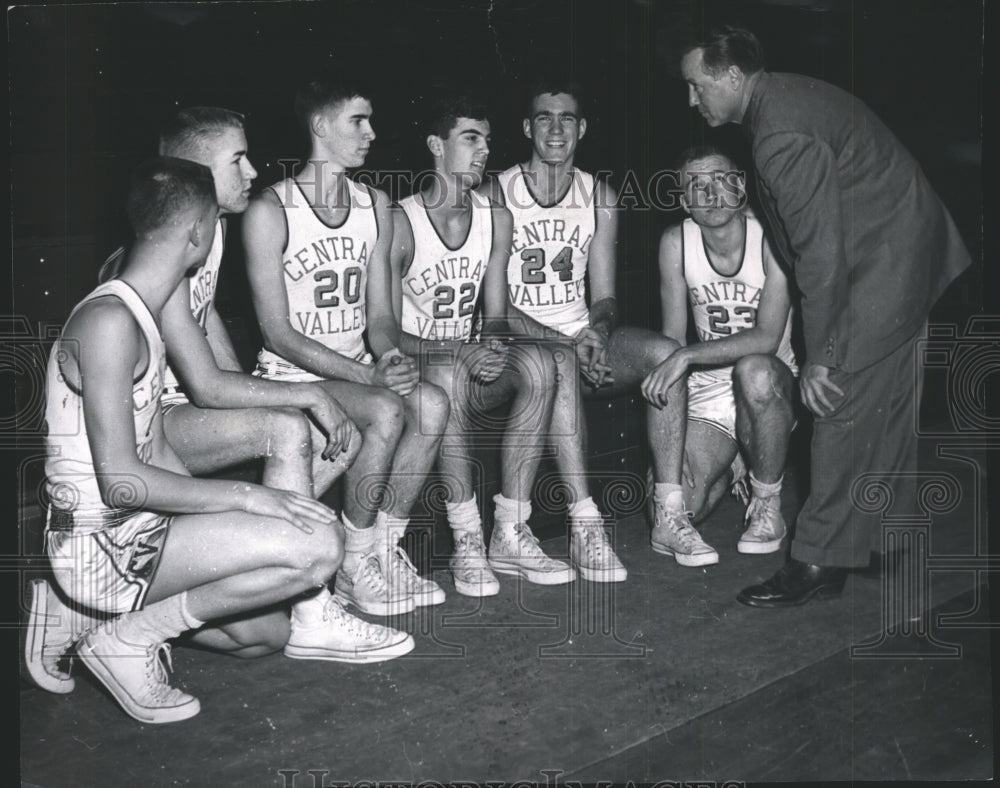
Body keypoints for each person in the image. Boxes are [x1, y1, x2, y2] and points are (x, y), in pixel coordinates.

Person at [38, 158, 412, 724]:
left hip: (142, 531)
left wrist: (302, 406)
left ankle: (89, 620)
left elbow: (177, 417)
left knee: (265, 634)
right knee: (318, 545)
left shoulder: (155, 302)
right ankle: (129, 638)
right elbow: (119, 482)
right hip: (99, 546)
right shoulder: (110, 320)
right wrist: (248, 500)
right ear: (197, 231)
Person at [679, 26, 971, 606]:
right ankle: (867, 543)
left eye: (697, 85)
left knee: (835, 402)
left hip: (883, 261)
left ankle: (816, 561)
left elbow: (820, 252)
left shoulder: (779, 132)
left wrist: (823, 355)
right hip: (905, 247)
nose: (693, 100)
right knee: (882, 409)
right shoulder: (784, 98)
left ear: (732, 76)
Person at [243, 78, 451, 616]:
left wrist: (389, 356)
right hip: (291, 377)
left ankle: (377, 551)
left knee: (430, 404)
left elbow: (380, 317)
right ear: (320, 125)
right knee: (384, 409)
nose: (371, 133)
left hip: (357, 370)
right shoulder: (271, 209)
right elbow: (276, 333)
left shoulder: (375, 204)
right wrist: (370, 379)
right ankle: (354, 568)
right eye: (358, 121)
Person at [490, 80, 680, 580]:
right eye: (545, 118)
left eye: (568, 118)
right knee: (557, 361)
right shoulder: (496, 192)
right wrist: (570, 345)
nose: (557, 128)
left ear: (583, 128)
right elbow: (493, 306)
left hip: (578, 339)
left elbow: (606, 295)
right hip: (518, 347)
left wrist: (597, 329)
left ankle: (670, 511)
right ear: (528, 127)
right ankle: (584, 523)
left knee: (664, 353)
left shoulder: (599, 194)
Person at [392, 95, 574, 593]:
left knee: (542, 362)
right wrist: (457, 352)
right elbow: (383, 333)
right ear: (436, 145)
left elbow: (494, 317)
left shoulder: (495, 216)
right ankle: (466, 539)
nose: (484, 151)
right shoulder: (400, 221)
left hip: (466, 363)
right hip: (414, 370)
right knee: (448, 373)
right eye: (471, 138)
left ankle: (510, 532)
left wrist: (491, 344)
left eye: (488, 140)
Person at [642, 144, 797, 566]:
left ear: (741, 185)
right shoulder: (677, 242)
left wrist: (686, 356)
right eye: (696, 185)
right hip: (710, 387)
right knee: (675, 502)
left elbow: (766, 337)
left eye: (720, 180)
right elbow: (673, 337)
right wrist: (680, 367)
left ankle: (768, 503)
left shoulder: (772, 237)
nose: (710, 194)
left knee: (754, 370)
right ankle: (735, 467)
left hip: (769, 382)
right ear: (683, 200)